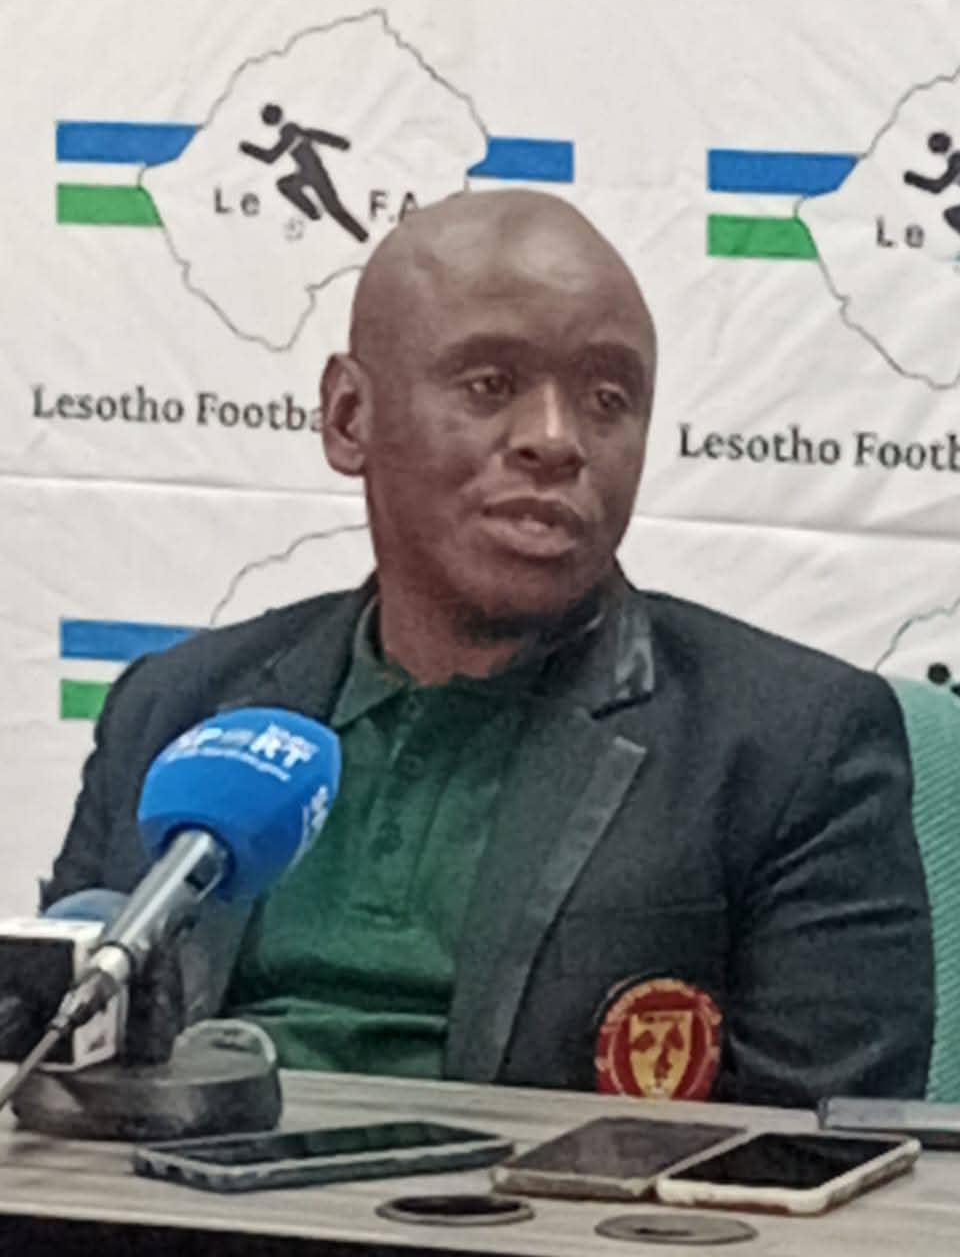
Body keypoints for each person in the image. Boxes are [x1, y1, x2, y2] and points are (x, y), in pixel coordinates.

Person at [41, 190, 933, 1107]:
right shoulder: (177, 707)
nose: (555, 440)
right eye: (489, 386)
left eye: (607, 399)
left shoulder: (789, 745)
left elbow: (818, 1142)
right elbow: (52, 1063)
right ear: (348, 417)